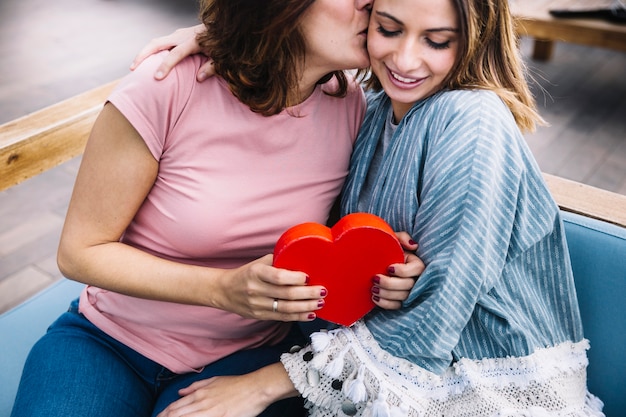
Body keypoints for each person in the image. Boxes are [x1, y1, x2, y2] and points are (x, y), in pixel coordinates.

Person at [138, 0, 605, 416]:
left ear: (476, 41)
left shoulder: (472, 120)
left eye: (437, 40)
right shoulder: (376, 107)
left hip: (475, 382)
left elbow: (435, 314)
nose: (404, 60)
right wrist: (220, 37)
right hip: (368, 367)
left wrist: (257, 389)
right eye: (388, 28)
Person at [10, 1, 425, 417]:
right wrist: (221, 290)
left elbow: (342, 237)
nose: (369, 3)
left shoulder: (353, 108)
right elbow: (80, 251)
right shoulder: (164, 85)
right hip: (109, 341)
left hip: (249, 356)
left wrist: (390, 267)